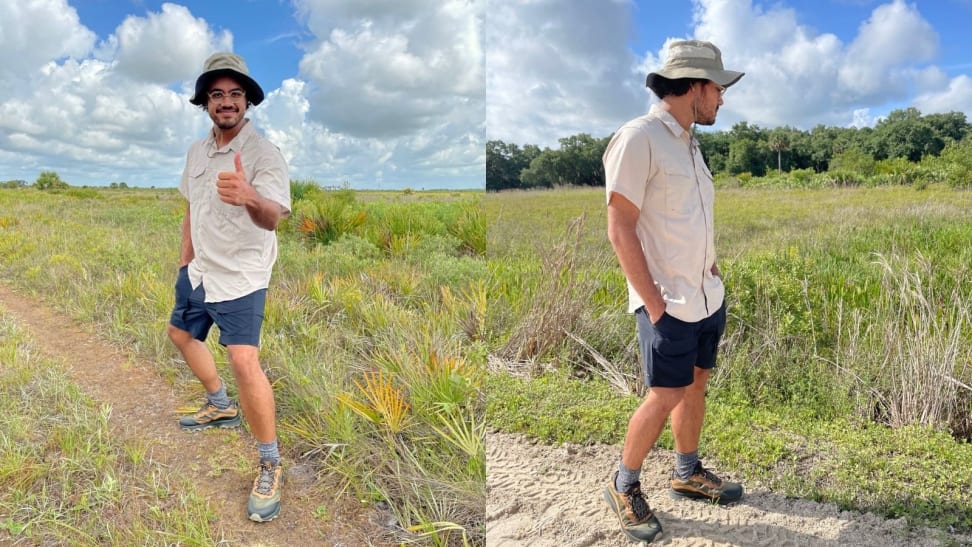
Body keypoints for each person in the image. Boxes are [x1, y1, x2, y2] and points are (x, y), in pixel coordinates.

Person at [600, 40, 745, 543]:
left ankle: (686, 473)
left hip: (705, 294)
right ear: (694, 86)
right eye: (718, 88)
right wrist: (655, 305)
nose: (722, 99)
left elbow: (687, 217)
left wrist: (711, 265)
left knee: (696, 382)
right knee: (664, 393)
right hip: (668, 302)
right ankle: (623, 485)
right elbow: (620, 227)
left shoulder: (688, 140)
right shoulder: (639, 137)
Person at [166, 52, 291, 523]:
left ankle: (271, 463)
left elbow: (273, 216)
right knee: (180, 336)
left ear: (246, 102)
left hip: (241, 275)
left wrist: (250, 196)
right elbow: (192, 208)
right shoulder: (197, 152)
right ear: (205, 103)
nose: (226, 102)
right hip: (200, 270)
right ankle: (220, 406)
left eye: (235, 94)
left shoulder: (263, 154)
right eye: (217, 94)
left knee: (243, 359)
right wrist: (185, 259)